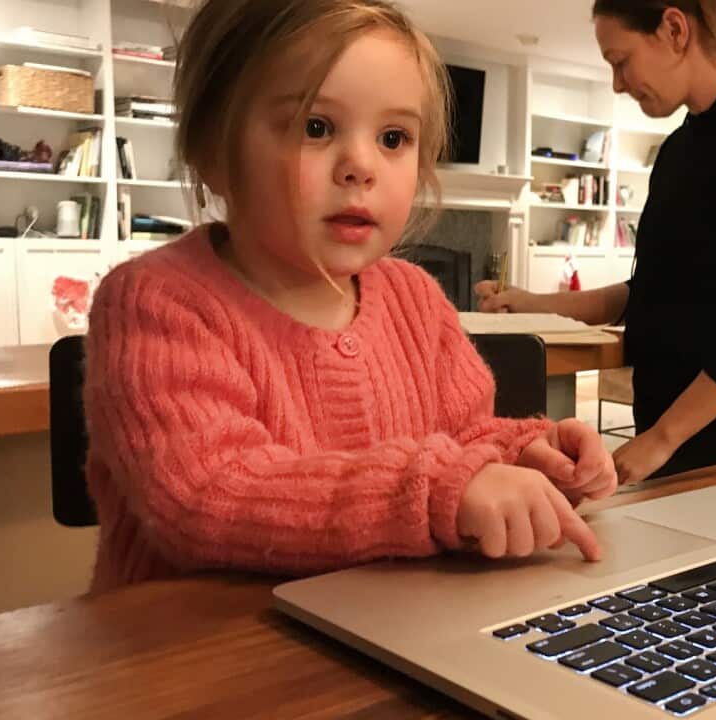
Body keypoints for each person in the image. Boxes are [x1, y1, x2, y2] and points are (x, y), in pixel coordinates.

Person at [82, 0, 617, 593]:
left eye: (394, 137)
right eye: (316, 127)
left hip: (388, 626)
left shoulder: (415, 297)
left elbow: (463, 435)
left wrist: (527, 454)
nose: (361, 165)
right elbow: (210, 494)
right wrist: (443, 490)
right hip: (195, 659)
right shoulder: (155, 302)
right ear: (213, 151)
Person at [477, 0, 716, 484]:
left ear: (673, 29)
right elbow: (647, 291)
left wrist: (662, 439)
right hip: (664, 429)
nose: (618, 84)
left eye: (620, 61)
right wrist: (533, 304)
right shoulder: (680, 148)